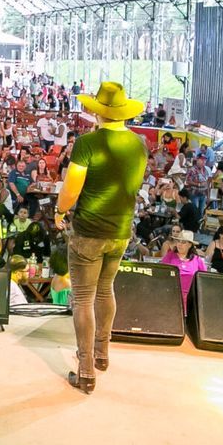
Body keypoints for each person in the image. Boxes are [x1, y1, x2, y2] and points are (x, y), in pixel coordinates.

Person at [55, 81, 148, 395]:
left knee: (83, 299)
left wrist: (58, 210)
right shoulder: (139, 144)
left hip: (89, 231)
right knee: (106, 290)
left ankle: (85, 370)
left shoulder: (87, 143)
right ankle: (102, 354)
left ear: (98, 112)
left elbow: (71, 189)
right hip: (121, 232)